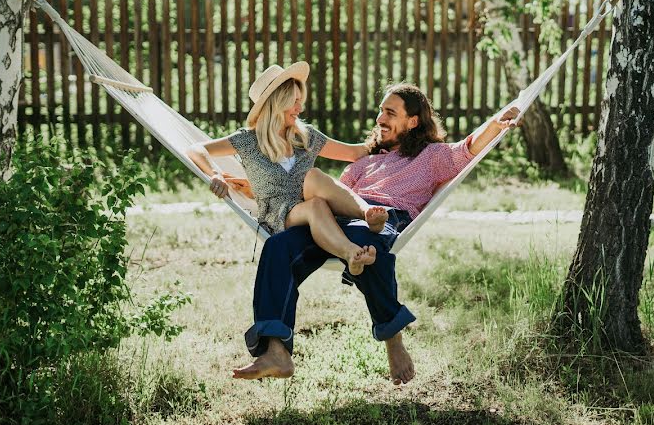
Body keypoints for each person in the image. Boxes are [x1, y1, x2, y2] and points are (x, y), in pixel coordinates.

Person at [215, 82, 520, 385]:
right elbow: (335, 193)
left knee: (369, 245)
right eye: (380, 111)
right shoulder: (366, 161)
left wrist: (497, 123)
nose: (379, 119)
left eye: (390, 112)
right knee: (279, 246)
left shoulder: (431, 156)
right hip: (339, 219)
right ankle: (276, 351)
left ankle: (392, 335)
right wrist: (254, 190)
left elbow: (466, 149)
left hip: (386, 216)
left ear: (412, 122)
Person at [187, 61, 391, 276]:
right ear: (277, 102)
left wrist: (393, 136)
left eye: (299, 101)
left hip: (312, 203)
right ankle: (351, 254)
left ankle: (367, 214)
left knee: (314, 177)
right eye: (294, 101)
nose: (300, 108)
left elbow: (353, 153)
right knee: (315, 206)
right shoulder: (248, 140)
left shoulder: (306, 136)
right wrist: (214, 174)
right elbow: (196, 149)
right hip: (279, 215)